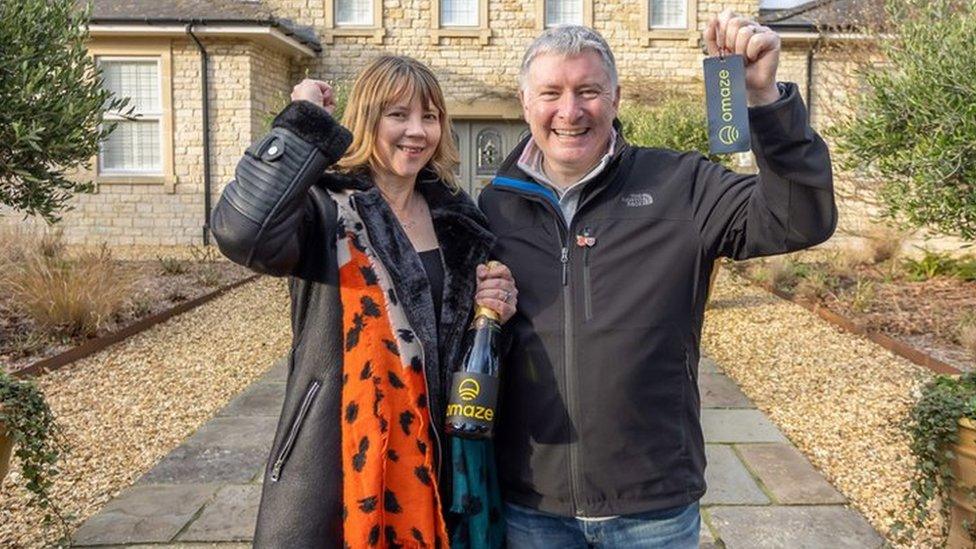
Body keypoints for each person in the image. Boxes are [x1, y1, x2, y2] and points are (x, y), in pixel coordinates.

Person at [477, 12, 836, 548]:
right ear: (526, 103)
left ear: (616, 98)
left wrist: (765, 104)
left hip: (652, 506)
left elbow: (798, 218)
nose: (570, 111)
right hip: (534, 503)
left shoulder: (680, 184)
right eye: (551, 92)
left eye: (589, 91)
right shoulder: (495, 206)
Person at [211, 55, 516, 548]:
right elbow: (241, 232)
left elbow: (464, 345)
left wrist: (495, 310)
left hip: (444, 461)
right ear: (367, 119)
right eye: (398, 115)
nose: (417, 131)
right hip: (340, 460)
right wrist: (302, 124)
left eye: (430, 117)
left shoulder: (458, 219)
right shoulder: (322, 209)